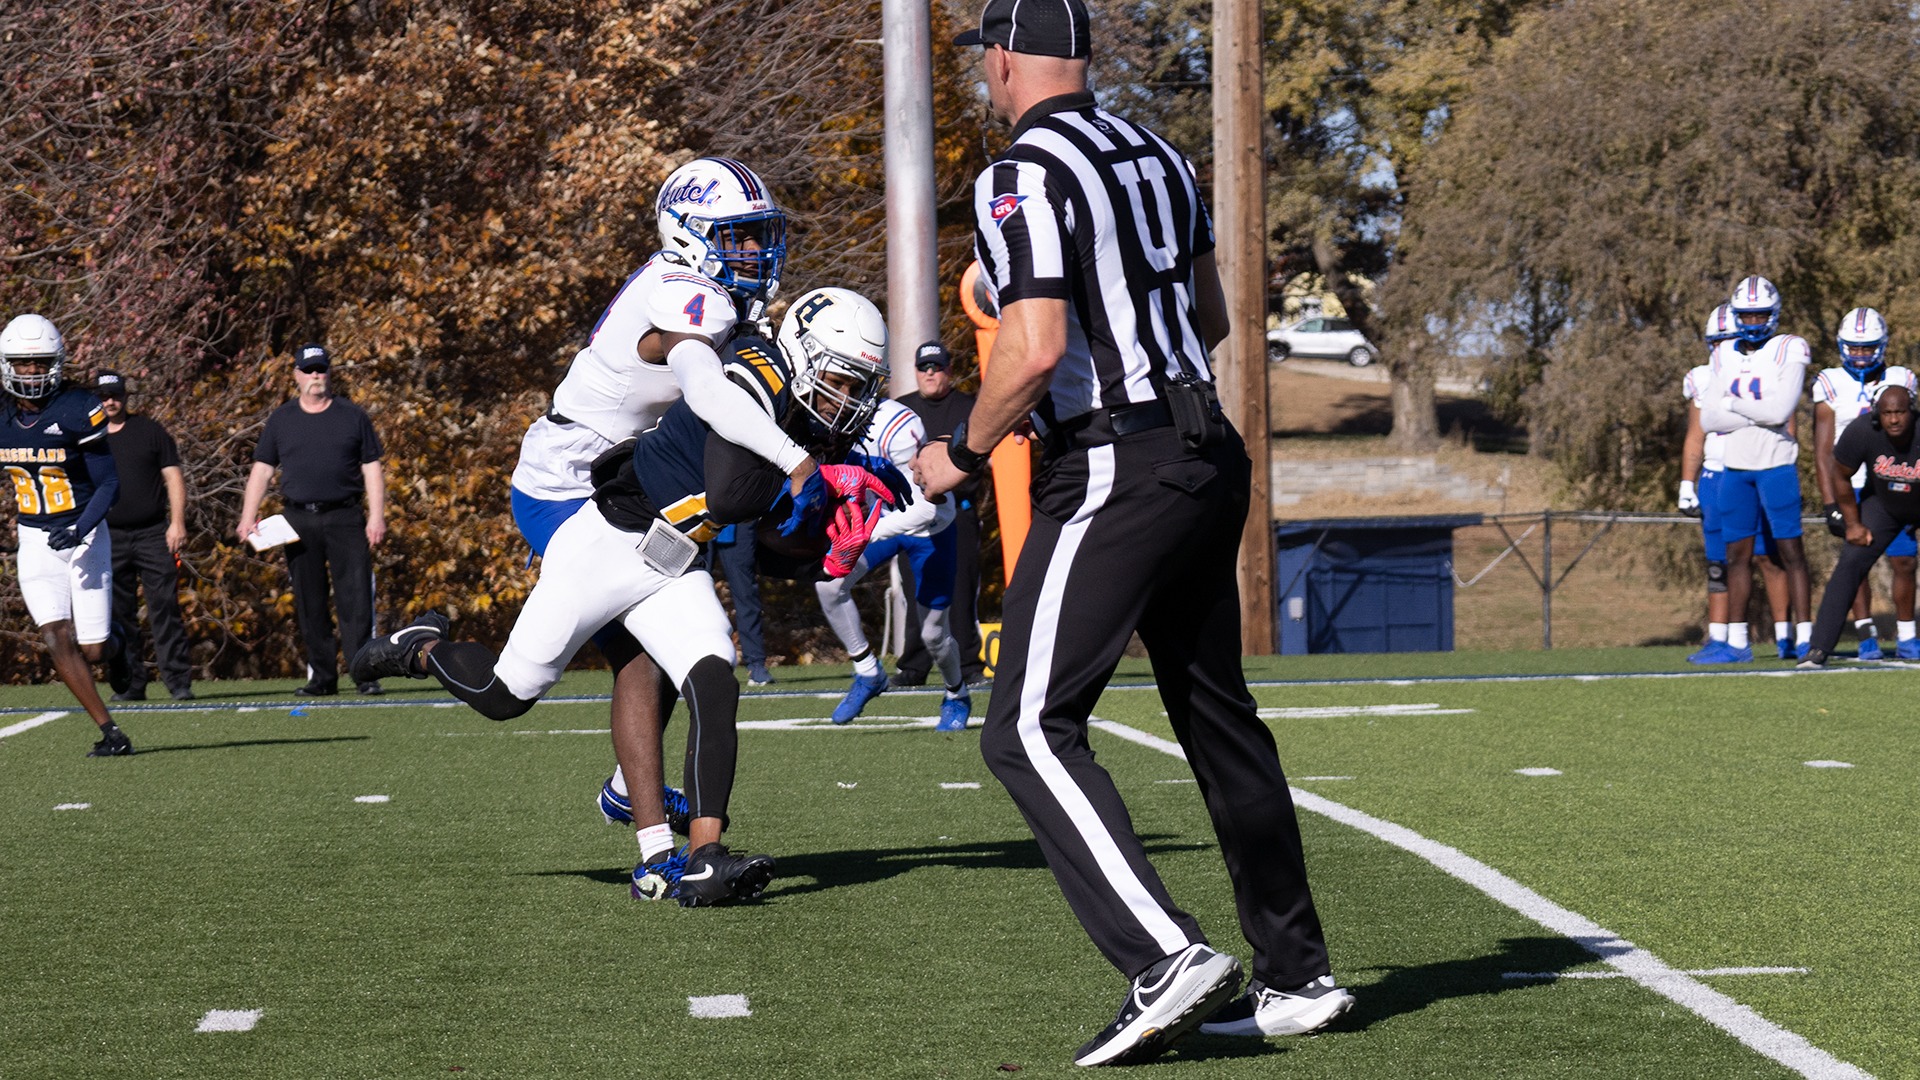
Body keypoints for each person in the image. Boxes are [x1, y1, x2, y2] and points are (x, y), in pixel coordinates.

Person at [922, 1, 1349, 1064]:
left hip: (1117, 459)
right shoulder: (1156, 152)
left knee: (1023, 726)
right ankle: (1295, 974)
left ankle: (1165, 956)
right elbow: (1209, 316)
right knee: (1216, 716)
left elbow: (1032, 349)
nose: (984, 77)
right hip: (1208, 448)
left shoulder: (1019, 172)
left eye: (984, 61)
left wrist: (961, 454)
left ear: (1005, 59)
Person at [353, 294, 900, 906]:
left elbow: (760, 537)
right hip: (609, 544)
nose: (844, 399)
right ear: (802, 353)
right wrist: (820, 482)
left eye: (858, 385)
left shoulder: (804, 416)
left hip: (672, 560)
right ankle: (420, 649)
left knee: (715, 679)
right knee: (504, 696)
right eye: (837, 379)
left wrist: (827, 551)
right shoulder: (756, 372)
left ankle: (704, 858)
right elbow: (729, 493)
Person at [504, 157, 815, 880]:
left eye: (755, 237)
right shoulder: (682, 291)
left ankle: (634, 810)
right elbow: (706, 392)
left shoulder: (708, 291)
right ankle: (649, 844)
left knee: (664, 653)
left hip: (632, 481)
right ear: (688, 234)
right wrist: (793, 459)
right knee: (637, 657)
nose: (752, 252)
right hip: (569, 481)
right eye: (734, 238)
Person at [810, 317, 971, 731]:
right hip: (881, 517)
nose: (837, 396)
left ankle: (957, 693)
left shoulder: (897, 426)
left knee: (935, 634)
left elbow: (927, 504)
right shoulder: (829, 415)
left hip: (927, 524)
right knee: (828, 582)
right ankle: (868, 670)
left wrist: (866, 532)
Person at [0, 314, 132, 756]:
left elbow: (109, 484)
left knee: (94, 650)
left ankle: (119, 644)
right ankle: (111, 732)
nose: (32, 372)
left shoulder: (78, 407)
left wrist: (79, 528)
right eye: (23, 364)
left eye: (40, 363)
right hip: (35, 539)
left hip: (84, 532)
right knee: (55, 635)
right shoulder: (2, 414)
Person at [236, 343, 387, 695]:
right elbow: (262, 470)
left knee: (356, 599)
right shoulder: (282, 419)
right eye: (309, 371)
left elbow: (372, 469)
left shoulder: (352, 416)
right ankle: (321, 677)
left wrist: (376, 517)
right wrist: (247, 517)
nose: (315, 376)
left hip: (345, 517)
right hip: (297, 520)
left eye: (321, 369)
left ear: (329, 373)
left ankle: (364, 674)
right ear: (296, 376)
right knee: (309, 600)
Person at [1698, 276, 1812, 662]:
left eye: (1760, 313)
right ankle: (1736, 643)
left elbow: (1782, 411)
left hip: (1776, 462)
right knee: (1736, 556)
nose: (1752, 321)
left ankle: (1805, 637)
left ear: (1774, 313)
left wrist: (1734, 404)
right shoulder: (1723, 353)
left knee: (1790, 551)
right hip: (1736, 465)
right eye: (1746, 315)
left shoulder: (1790, 347)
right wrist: (1748, 413)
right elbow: (1707, 420)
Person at [1682, 305, 1792, 663]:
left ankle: (1785, 636)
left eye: (1727, 339)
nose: (1722, 347)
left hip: (1756, 469)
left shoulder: (1767, 368)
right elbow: (1697, 433)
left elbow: (1785, 423)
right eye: (1716, 341)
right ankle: (1720, 637)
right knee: (1720, 561)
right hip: (1716, 474)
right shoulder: (1704, 376)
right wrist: (1687, 481)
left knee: (1768, 556)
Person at [1811, 308, 1919, 659]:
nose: (1860, 355)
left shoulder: (1900, 377)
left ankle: (1906, 634)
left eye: (1867, 347)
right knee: (1854, 561)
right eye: (1854, 348)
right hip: (1850, 482)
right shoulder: (1829, 381)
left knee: (1904, 561)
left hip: (1892, 479)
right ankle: (1865, 633)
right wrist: (1831, 503)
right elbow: (1824, 451)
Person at [894, 341, 988, 687]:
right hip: (912, 514)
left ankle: (968, 666)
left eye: (937, 367)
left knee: (961, 590)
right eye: (924, 368)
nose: (930, 374)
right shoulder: (899, 410)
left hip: (958, 512)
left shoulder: (970, 406)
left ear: (949, 369)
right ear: (916, 371)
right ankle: (913, 668)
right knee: (914, 588)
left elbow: (977, 459)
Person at [97, 370, 194, 700]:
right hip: (108, 537)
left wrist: (177, 523)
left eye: (115, 395)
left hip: (153, 533)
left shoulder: (150, 432)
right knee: (118, 616)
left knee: (164, 608)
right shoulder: (89, 437)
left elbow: (174, 478)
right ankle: (131, 685)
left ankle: (178, 682)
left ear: (125, 396)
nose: (110, 401)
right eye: (103, 396)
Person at [709, 525, 774, 686]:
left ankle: (756, 665)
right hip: (695, 519)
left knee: (746, 594)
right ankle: (692, 664)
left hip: (737, 522)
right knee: (693, 593)